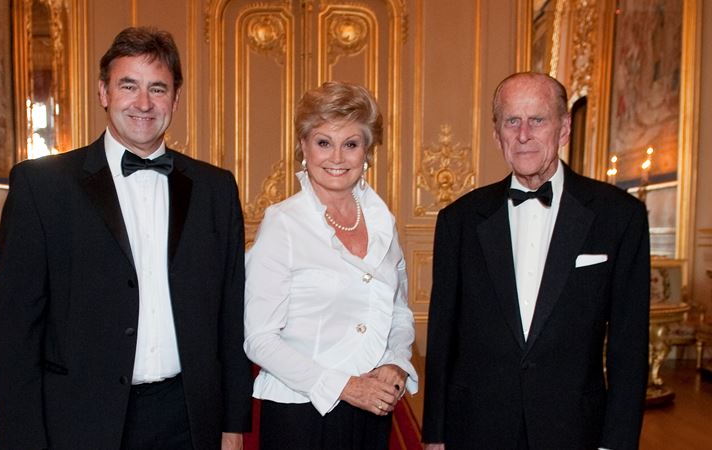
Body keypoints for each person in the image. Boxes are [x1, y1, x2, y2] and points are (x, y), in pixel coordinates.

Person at [0, 27, 251, 450]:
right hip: (78, 420)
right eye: (129, 85)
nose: (144, 103)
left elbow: (229, 315)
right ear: (103, 93)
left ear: (176, 100)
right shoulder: (42, 187)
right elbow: (13, 329)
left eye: (158, 89)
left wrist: (232, 424)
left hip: (187, 418)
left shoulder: (215, 189)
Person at [422, 72, 650, 450]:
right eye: (512, 121)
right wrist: (435, 434)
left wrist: (617, 442)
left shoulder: (618, 216)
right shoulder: (459, 220)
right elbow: (444, 335)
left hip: (574, 430)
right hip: (477, 427)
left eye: (538, 120)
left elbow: (629, 345)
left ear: (563, 128)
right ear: (497, 134)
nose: (523, 134)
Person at [243, 81, 419, 450]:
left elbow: (399, 312)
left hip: (372, 411)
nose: (337, 157)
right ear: (303, 147)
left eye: (350, 144)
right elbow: (260, 340)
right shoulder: (283, 224)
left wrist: (396, 363)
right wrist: (346, 387)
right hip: (303, 415)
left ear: (367, 152)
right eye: (324, 142)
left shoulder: (382, 219)